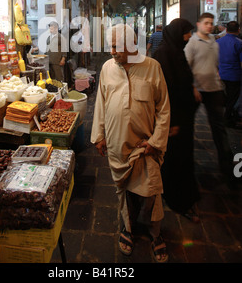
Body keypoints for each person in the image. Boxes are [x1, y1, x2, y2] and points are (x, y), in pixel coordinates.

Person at [91, 24, 170, 262]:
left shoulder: (152, 67)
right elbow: (101, 103)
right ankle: (128, 228)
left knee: (151, 192)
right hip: (117, 144)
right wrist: (100, 135)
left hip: (145, 146)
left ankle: (155, 233)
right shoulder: (107, 68)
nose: (111, 50)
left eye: (116, 46)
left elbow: (164, 108)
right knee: (124, 191)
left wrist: (156, 141)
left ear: (131, 45)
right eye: (110, 45)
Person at [153, 18, 200, 222]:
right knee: (175, 159)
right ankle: (177, 198)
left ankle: (181, 194)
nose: (189, 36)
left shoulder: (176, 50)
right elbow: (166, 91)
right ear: (176, 33)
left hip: (183, 117)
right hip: (174, 119)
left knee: (182, 157)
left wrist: (192, 89)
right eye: (186, 33)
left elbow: (182, 80)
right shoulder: (164, 54)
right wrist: (171, 122)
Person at [184, 13, 234, 183]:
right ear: (198, 24)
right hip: (198, 90)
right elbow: (186, 68)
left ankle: (228, 170)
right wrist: (192, 87)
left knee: (219, 130)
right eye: (206, 23)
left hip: (214, 90)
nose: (209, 26)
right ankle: (188, 167)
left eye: (211, 23)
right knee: (188, 127)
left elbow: (215, 64)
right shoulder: (192, 44)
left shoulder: (214, 41)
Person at [217, 21, 242, 129]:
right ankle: (228, 118)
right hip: (234, 74)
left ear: (226, 30)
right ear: (238, 30)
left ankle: (225, 116)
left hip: (221, 73)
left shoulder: (218, 41)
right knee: (233, 98)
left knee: (226, 96)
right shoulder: (239, 43)